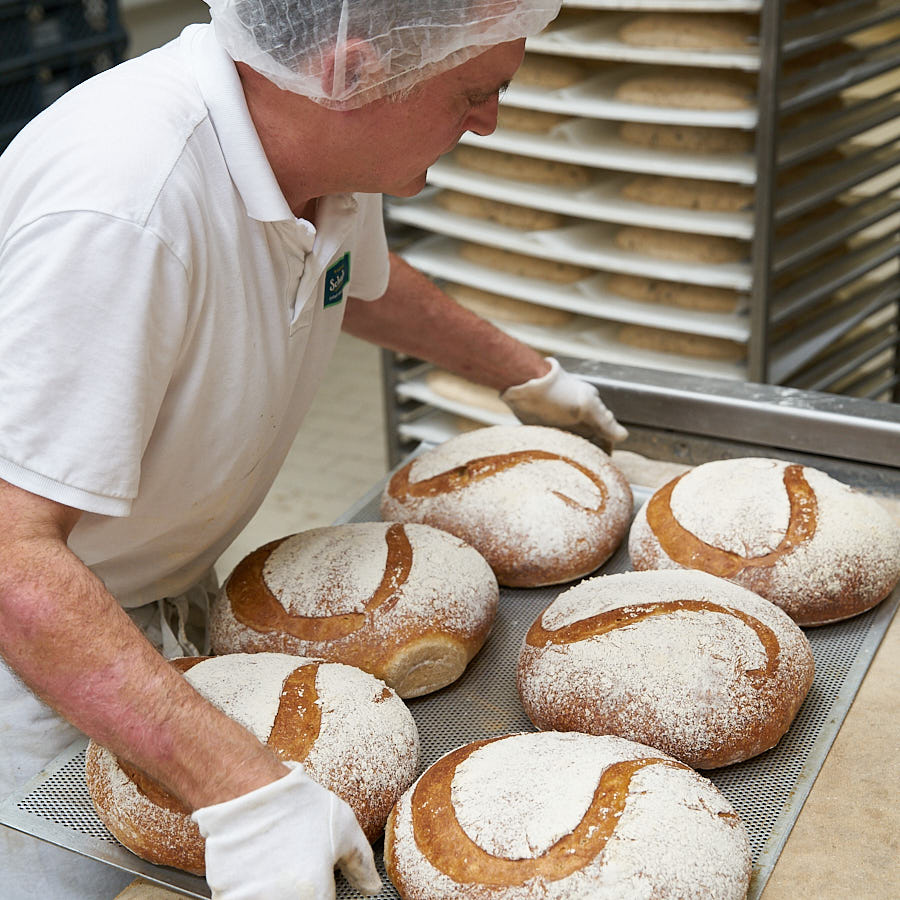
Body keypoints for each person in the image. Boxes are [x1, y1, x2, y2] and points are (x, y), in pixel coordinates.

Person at [0, 1, 627, 897]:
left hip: (137, 595)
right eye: (475, 91)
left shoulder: (314, 144)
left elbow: (348, 278)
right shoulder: (123, 209)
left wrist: (524, 375)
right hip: (39, 651)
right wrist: (242, 792)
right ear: (350, 70)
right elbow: (10, 555)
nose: (490, 119)